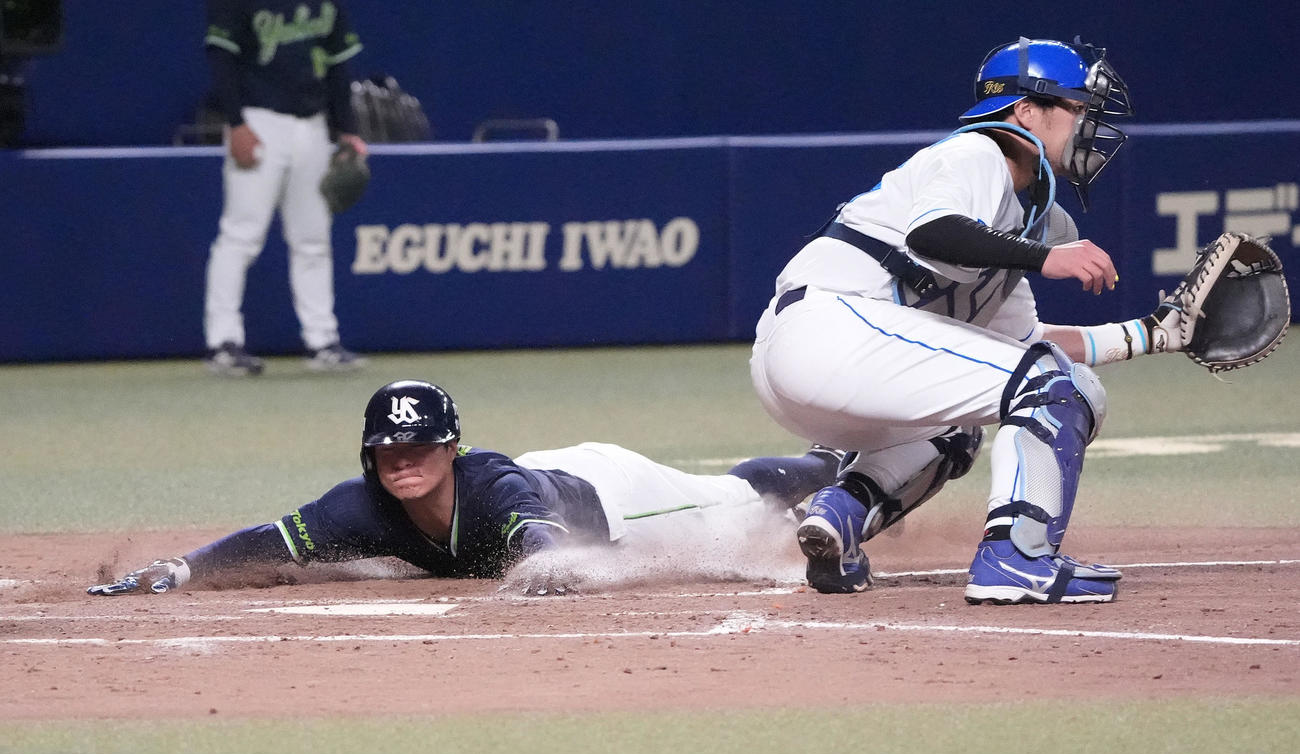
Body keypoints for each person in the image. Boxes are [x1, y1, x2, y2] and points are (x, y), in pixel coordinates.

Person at [749, 37, 1183, 604]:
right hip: (830, 331)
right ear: (1026, 111)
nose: (1089, 123)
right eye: (1078, 107)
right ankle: (1017, 558)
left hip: (825, 363)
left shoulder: (1022, 216)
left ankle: (843, 513)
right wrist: (1046, 259)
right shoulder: (977, 153)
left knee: (978, 419)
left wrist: (1153, 334)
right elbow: (933, 233)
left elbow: (1025, 346)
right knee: (1055, 386)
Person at [88, 380, 841, 596]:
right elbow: (272, 541)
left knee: (735, 502)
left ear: (450, 448)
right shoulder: (359, 505)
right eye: (388, 448)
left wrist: (548, 567)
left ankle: (837, 463)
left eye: (419, 445)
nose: (402, 459)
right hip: (548, 473)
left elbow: (537, 536)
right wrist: (181, 568)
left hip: (617, 496)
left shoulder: (494, 488)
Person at [202, 0, 369, 376]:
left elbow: (338, 64)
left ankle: (322, 340)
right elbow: (222, 60)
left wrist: (347, 130)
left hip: (313, 126)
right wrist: (236, 123)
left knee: (313, 238)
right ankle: (223, 342)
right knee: (241, 235)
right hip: (258, 120)